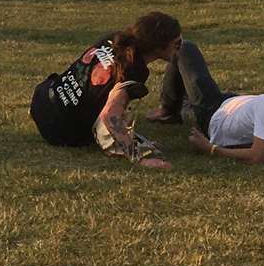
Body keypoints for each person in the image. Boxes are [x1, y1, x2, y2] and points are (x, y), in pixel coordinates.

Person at [30, 11, 183, 168]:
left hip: (43, 100)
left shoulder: (113, 39)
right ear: (158, 46)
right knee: (117, 111)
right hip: (62, 131)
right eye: (177, 43)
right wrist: (138, 156)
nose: (181, 48)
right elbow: (109, 115)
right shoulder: (135, 70)